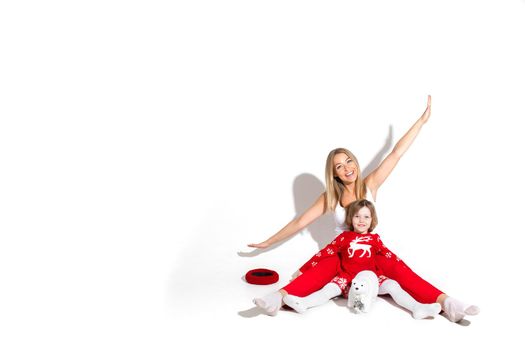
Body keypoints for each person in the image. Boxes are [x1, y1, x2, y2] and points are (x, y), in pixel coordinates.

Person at [250, 96, 480, 322]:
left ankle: (448, 303)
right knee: (318, 272)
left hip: (372, 251)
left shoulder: (371, 184)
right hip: (341, 253)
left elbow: (396, 153)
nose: (346, 168)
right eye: (339, 166)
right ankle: (277, 299)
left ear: (355, 162)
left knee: (403, 271)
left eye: (348, 161)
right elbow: (299, 222)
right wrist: (269, 242)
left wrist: (421, 122)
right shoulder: (331, 197)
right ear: (334, 174)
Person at [282, 199, 442, 319]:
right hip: (347, 278)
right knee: (328, 290)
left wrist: (406, 269)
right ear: (351, 219)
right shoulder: (344, 237)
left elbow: (390, 256)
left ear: (372, 220)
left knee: (393, 285)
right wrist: (303, 269)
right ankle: (304, 303)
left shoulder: (375, 239)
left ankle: (417, 308)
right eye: (357, 216)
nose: (361, 220)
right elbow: (324, 253)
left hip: (373, 278)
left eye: (366, 217)